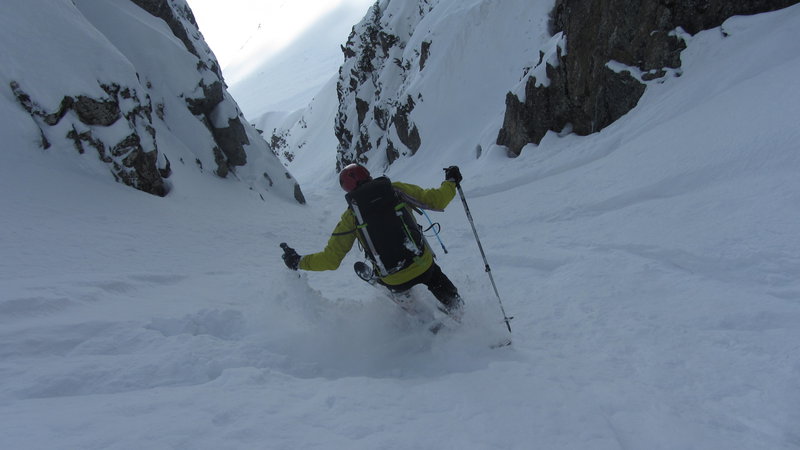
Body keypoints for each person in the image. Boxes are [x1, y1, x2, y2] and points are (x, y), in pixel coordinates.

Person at [281, 163, 464, 320]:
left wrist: (298, 261)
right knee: (434, 278)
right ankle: (461, 313)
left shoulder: (351, 216)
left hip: (393, 278)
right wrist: (451, 181)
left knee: (397, 284)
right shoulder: (396, 190)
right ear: (368, 175)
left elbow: (330, 260)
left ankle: (414, 309)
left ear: (347, 189)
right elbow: (437, 201)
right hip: (424, 265)